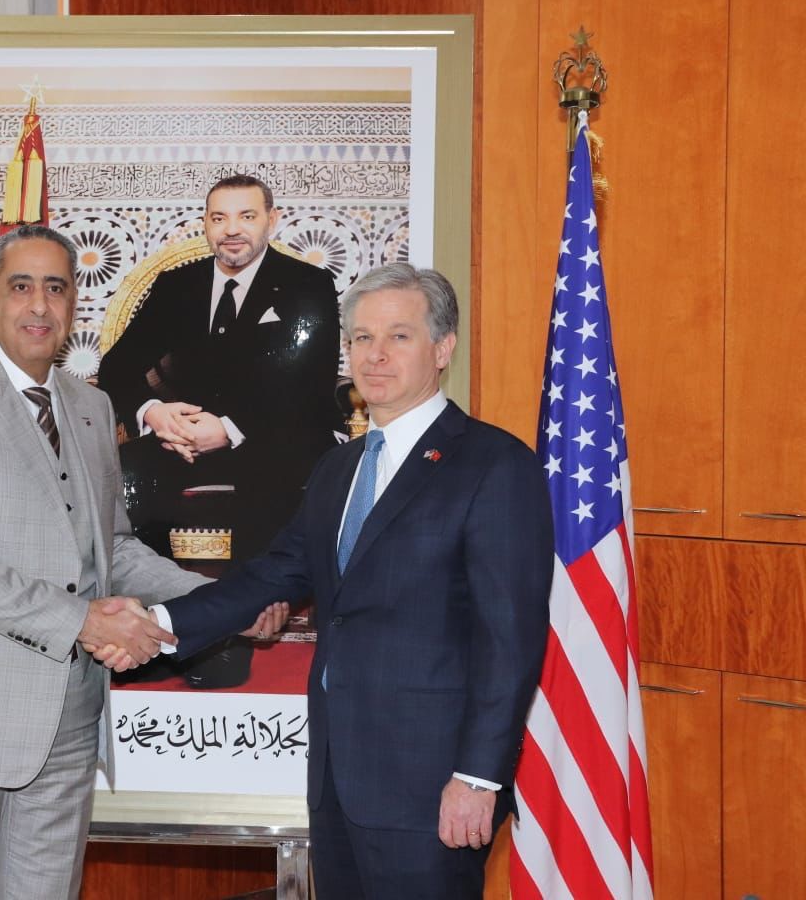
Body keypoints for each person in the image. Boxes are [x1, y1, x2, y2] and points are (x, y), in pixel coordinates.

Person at [117, 262, 554, 898]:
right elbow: (272, 574)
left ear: (442, 348)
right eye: (361, 338)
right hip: (336, 782)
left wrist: (479, 779)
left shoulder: (494, 465)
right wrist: (155, 624)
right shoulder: (338, 468)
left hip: (432, 787)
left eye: (399, 336)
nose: (375, 356)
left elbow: (510, 641)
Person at [0, 224, 282, 900]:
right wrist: (85, 621)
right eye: (21, 286)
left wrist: (229, 602)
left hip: (67, 725)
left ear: (73, 305)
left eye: (56, 288)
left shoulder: (91, 408)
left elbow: (111, 549)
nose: (39, 305)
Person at [97, 173, 342, 686]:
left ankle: (228, 638)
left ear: (271, 221)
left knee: (276, 475)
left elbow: (310, 386)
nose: (232, 230)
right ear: (205, 225)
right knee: (127, 474)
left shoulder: (308, 285)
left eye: (246, 216)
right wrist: (154, 413)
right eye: (219, 218)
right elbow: (118, 366)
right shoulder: (177, 285)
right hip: (179, 439)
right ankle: (151, 633)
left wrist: (228, 429)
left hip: (269, 440)